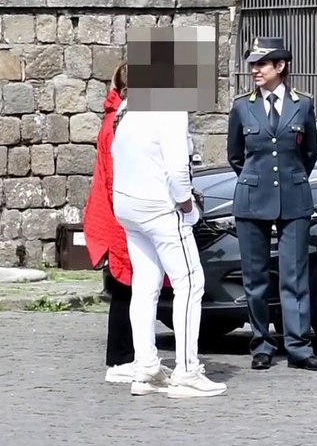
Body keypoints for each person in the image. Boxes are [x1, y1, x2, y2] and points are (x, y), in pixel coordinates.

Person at [111, 81, 225, 398]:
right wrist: (187, 205)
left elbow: (114, 151)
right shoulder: (170, 108)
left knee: (145, 283)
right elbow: (177, 171)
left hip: (128, 204)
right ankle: (187, 370)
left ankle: (146, 365)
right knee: (190, 282)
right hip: (158, 207)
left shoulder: (128, 105)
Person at [226, 37, 317, 372]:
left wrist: (290, 178)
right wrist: (257, 180)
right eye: (252, 64)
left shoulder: (303, 104)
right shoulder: (243, 106)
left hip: (293, 196)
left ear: (280, 67)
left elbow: (309, 153)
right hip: (252, 198)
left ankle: (298, 345)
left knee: (294, 275)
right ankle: (262, 344)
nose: (254, 70)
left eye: (262, 64)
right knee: (255, 278)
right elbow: (236, 156)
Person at [83, 61, 136, 383]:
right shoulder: (118, 122)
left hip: (116, 213)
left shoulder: (114, 118)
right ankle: (120, 358)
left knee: (128, 289)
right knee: (125, 288)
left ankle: (126, 355)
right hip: (119, 217)